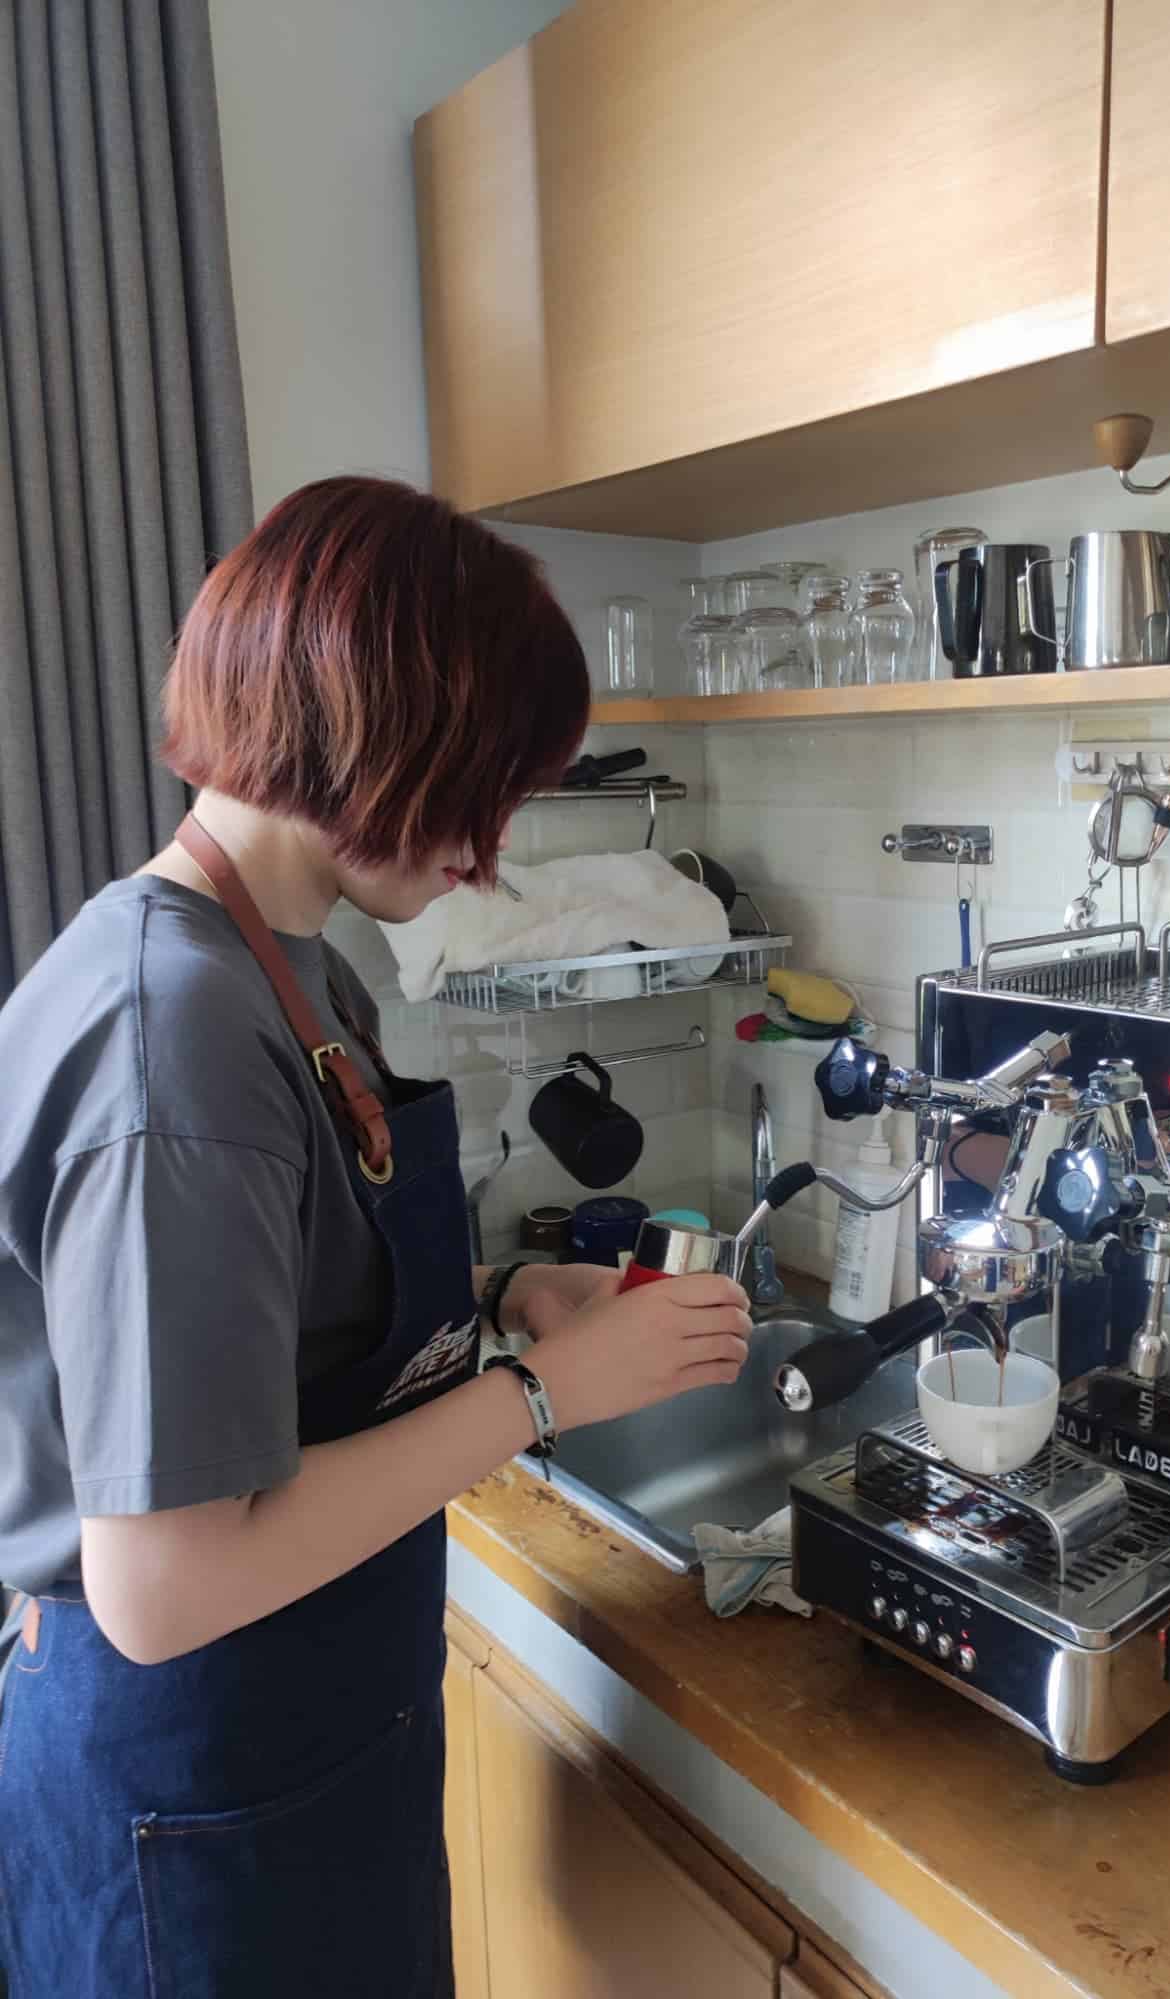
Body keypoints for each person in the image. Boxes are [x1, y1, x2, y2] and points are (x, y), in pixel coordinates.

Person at [0, 476, 751, 1997]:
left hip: (305, 1741)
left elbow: (266, 1296)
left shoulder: (287, 966)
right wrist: (541, 1395)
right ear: (382, 740)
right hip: (192, 1794)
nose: (489, 852)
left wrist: (503, 1290)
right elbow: (164, 1585)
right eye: (485, 792)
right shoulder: (174, 1040)